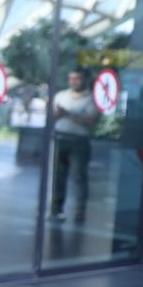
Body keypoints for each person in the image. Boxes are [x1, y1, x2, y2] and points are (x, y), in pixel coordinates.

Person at [50, 68, 97, 222]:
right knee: (58, 177)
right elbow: (52, 116)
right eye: (71, 78)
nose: (74, 82)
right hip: (59, 138)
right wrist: (57, 115)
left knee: (79, 176)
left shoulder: (91, 99)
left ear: (84, 80)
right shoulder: (60, 96)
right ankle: (56, 209)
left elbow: (90, 121)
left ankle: (80, 210)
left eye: (77, 79)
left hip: (79, 142)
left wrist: (68, 114)